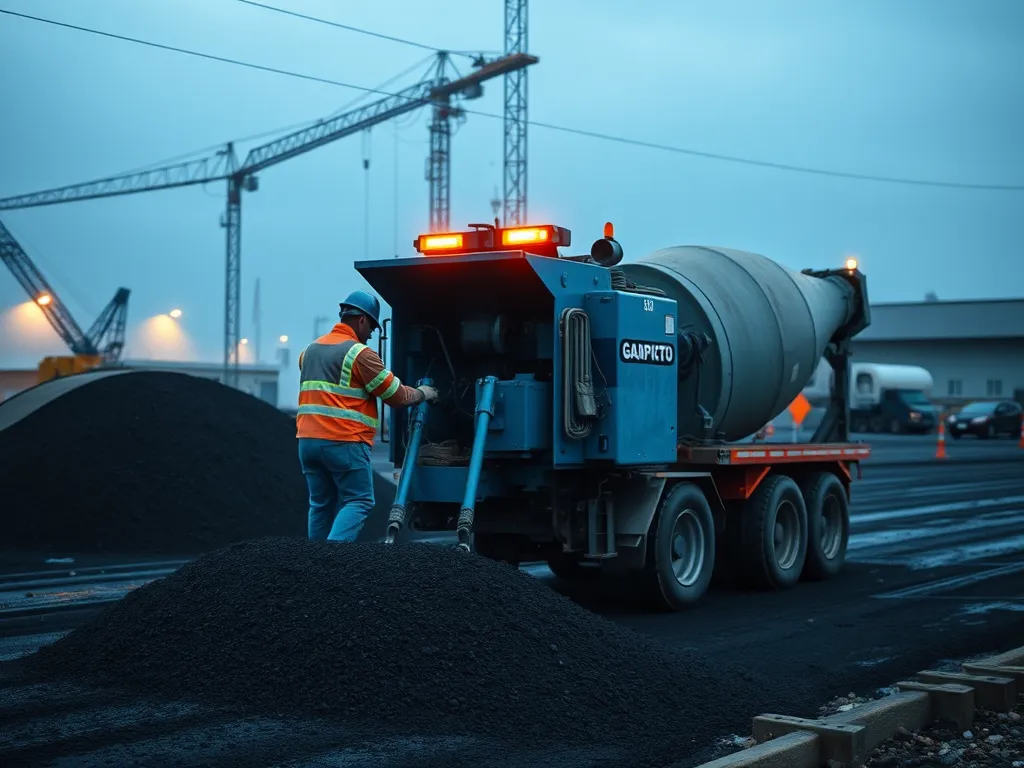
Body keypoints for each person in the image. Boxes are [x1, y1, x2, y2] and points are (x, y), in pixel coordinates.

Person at [296, 290, 438, 542]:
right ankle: (331, 560)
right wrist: (423, 393)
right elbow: (396, 396)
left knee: (320, 504)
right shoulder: (360, 354)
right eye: (371, 326)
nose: (372, 333)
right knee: (359, 499)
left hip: (307, 441)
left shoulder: (309, 351)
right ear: (361, 320)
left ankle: (313, 566)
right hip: (343, 441)